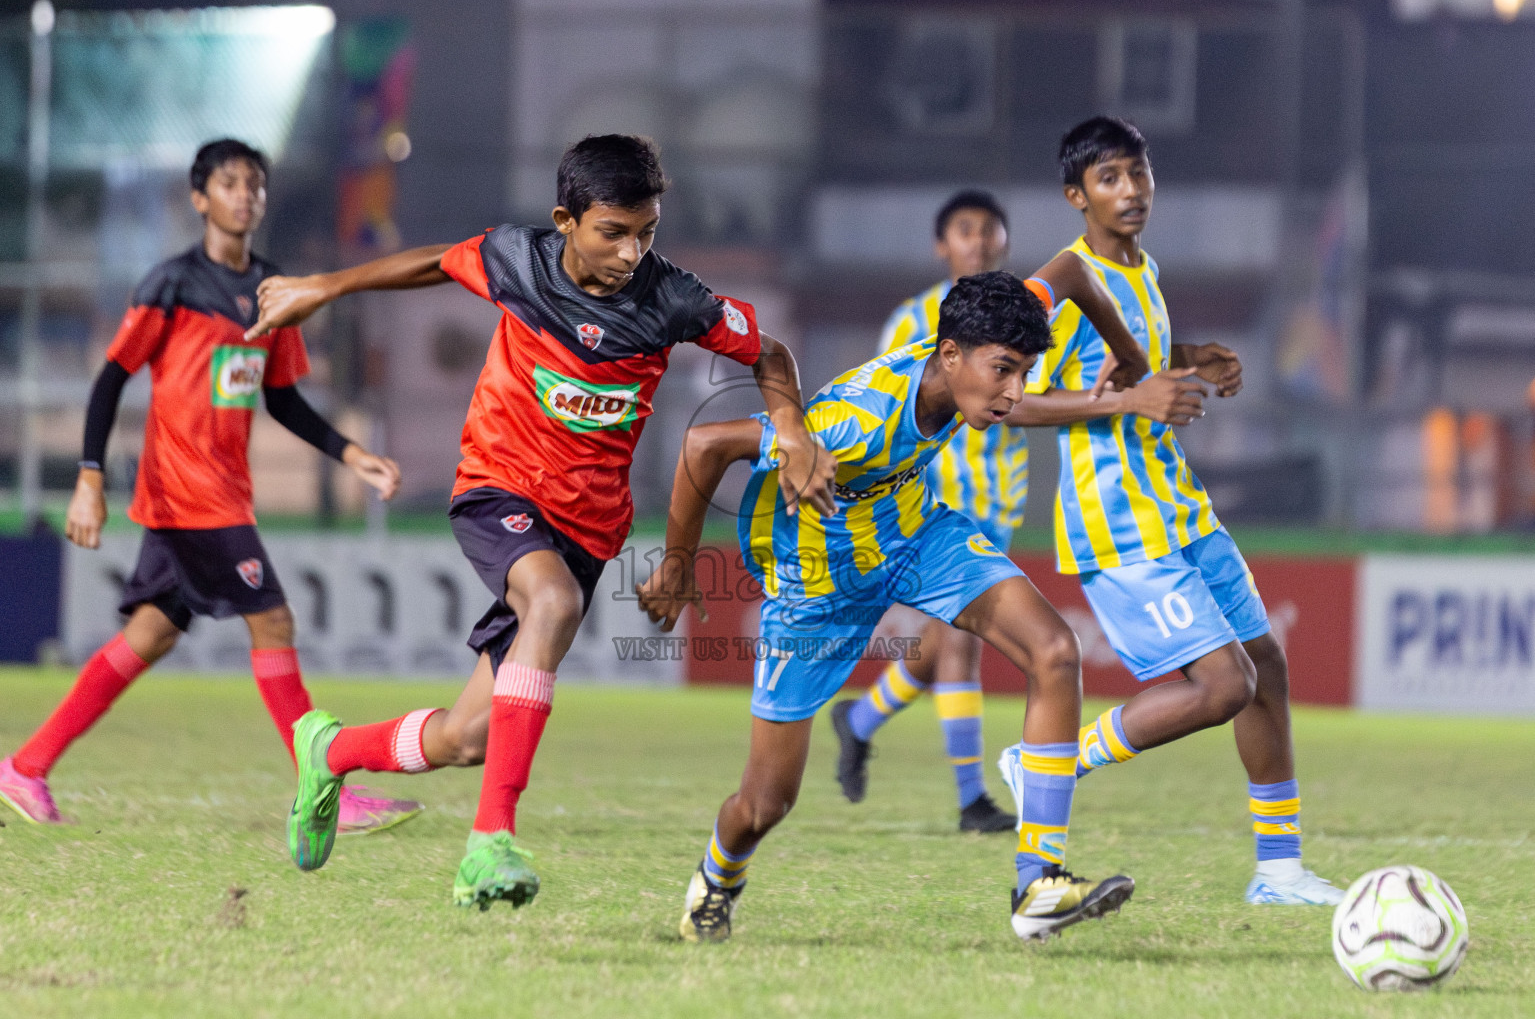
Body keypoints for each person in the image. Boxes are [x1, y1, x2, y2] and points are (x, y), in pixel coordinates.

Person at [243, 134, 838, 911]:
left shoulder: (674, 298)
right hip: (499, 488)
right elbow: (428, 262)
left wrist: (789, 427)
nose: (632, 253)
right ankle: (488, 843)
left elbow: (771, 352)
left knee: (466, 738)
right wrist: (321, 287)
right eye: (614, 232)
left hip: (588, 530)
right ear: (566, 219)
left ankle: (331, 749)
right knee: (550, 604)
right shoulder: (513, 260)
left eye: (647, 232)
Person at [639, 272, 1135, 944]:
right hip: (816, 588)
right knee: (764, 804)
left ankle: (1036, 883)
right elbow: (704, 445)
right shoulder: (856, 422)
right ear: (950, 354)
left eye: (1023, 372)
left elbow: (1068, 275)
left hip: (916, 537)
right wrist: (675, 566)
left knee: (1053, 650)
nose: (1014, 392)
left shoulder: (975, 343)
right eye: (1004, 371)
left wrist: (1127, 355)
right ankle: (716, 878)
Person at [0, 139, 419, 836]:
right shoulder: (172, 283)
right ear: (200, 198)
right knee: (273, 620)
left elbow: (280, 398)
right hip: (189, 493)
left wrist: (353, 454)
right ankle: (326, 789)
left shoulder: (271, 290)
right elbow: (110, 378)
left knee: (151, 633)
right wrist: (88, 478)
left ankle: (27, 765)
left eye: (254, 183)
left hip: (219, 491)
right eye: (229, 182)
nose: (245, 194)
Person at [1005, 116, 1344, 906]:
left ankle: (1279, 873)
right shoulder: (1058, 277)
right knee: (1221, 685)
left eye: (1138, 174)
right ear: (1074, 195)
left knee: (1264, 669)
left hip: (1179, 506)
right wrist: (1132, 396)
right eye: (1109, 179)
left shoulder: (1139, 270)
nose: (1130, 192)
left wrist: (1193, 357)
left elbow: (1133, 365)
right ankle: (1048, 762)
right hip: (1116, 518)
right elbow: (1003, 399)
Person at [831, 189, 1153, 834]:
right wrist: (1120, 404)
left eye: (990, 231)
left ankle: (860, 718)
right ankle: (971, 798)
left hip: (999, 500)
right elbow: (903, 400)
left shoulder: (1023, 318)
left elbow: (1032, 391)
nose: (978, 241)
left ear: (1003, 242)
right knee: (958, 643)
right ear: (941, 245)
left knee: (938, 644)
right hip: (932, 500)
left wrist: (1115, 377)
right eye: (965, 230)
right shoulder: (911, 320)